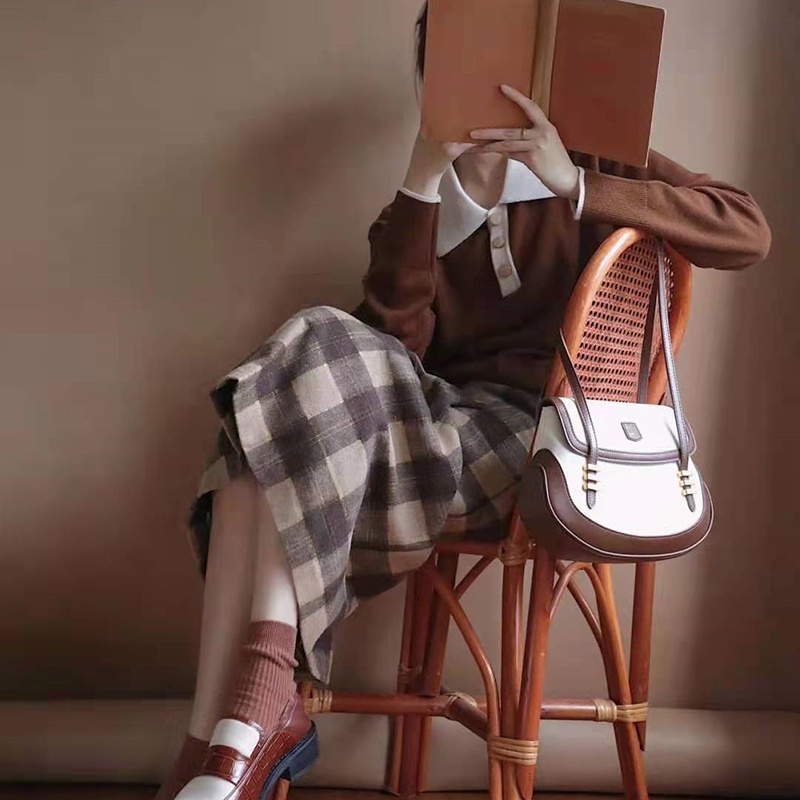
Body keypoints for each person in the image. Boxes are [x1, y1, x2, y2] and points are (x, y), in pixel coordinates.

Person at [157, 4, 771, 800]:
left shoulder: (593, 160)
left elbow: (746, 230)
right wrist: (421, 186)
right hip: (434, 440)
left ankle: (231, 731)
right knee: (285, 398)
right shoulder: (410, 216)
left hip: (550, 445)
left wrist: (577, 185)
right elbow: (385, 360)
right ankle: (233, 734)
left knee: (264, 430)